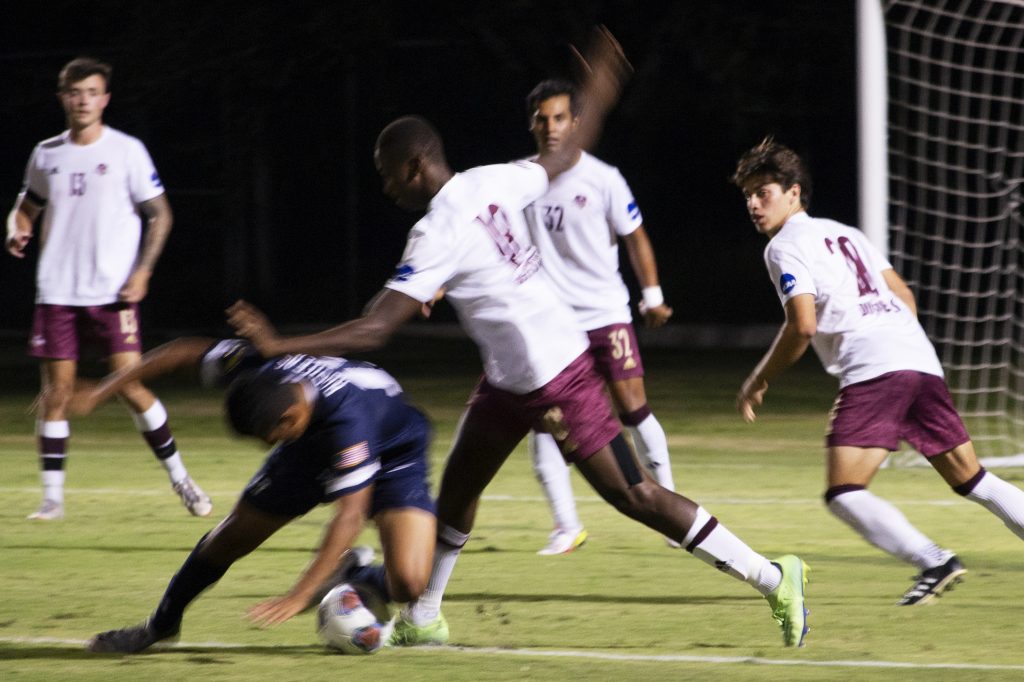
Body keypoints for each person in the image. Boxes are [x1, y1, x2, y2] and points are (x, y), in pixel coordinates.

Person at [227, 28, 810, 648]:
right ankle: (423, 617)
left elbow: (374, 329)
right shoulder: (492, 180)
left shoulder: (435, 231)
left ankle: (773, 576)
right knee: (456, 490)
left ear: (414, 165)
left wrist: (277, 346)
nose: (386, 187)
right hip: (509, 379)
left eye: (387, 175)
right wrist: (602, 86)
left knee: (635, 495)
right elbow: (564, 155)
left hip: (556, 375)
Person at [732, 138, 1024, 605]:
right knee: (973, 480)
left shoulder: (784, 247)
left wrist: (758, 380)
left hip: (875, 370)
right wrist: (893, 338)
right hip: (918, 360)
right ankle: (936, 560)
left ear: (793, 193)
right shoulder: (847, 233)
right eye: (747, 194)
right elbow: (904, 296)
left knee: (845, 491)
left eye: (762, 192)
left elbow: (802, 325)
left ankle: (934, 560)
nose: (752, 203)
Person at [79, 336, 436, 653]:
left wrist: (300, 595)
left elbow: (350, 515)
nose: (266, 446)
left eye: (270, 437)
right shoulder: (260, 369)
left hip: (394, 454)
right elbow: (181, 352)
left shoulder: (348, 421)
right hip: (307, 450)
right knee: (229, 538)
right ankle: (160, 625)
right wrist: (100, 391)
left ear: (290, 416)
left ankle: (352, 572)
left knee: (408, 582)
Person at [5, 57, 210, 520]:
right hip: (57, 292)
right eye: (75, 93)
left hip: (112, 294)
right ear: (63, 98)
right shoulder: (46, 153)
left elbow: (161, 214)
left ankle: (181, 478)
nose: (83, 101)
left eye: (92, 92)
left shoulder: (127, 151)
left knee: (130, 386)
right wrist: (15, 229)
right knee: (56, 393)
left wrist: (143, 271)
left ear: (105, 99)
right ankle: (52, 499)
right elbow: (26, 206)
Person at [523, 78, 676, 555]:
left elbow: (635, 236)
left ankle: (671, 504)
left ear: (576, 123)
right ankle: (566, 525)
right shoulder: (521, 179)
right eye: (543, 119)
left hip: (606, 315)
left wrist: (651, 296)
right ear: (532, 124)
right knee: (545, 419)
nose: (551, 127)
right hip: (551, 325)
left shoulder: (603, 177)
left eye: (560, 118)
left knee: (633, 408)